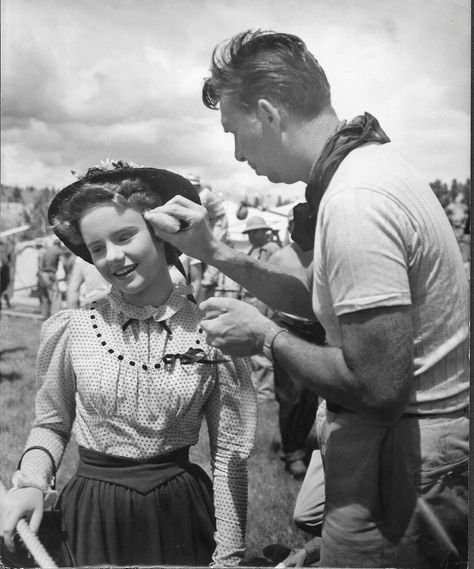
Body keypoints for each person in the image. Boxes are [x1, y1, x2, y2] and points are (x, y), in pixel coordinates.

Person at [144, 30, 469, 569]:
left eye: (235, 132)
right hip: (405, 454)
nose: (237, 153)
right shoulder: (366, 170)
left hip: (399, 459)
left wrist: (265, 336)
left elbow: (378, 386)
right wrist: (214, 250)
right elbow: (319, 299)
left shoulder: (355, 201)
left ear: (268, 113)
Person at [1, 160, 257, 567]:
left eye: (124, 236)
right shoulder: (76, 329)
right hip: (93, 513)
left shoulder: (212, 334)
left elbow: (229, 457)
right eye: (97, 248)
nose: (112, 258)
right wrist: (31, 482)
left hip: (178, 512)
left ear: (160, 234)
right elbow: (51, 425)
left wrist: (228, 554)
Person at [267, 213, 325, 479]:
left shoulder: (323, 254)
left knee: (310, 396)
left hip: (316, 328)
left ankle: (298, 444)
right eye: (295, 224)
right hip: (287, 327)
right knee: (291, 394)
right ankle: (293, 452)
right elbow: (266, 295)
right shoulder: (279, 257)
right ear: (290, 226)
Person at [240, 216, 281, 400]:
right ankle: (256, 388)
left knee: (262, 347)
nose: (251, 236)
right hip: (252, 304)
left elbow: (272, 280)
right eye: (249, 233)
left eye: (253, 232)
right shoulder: (254, 250)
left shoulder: (272, 250)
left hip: (264, 303)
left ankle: (265, 391)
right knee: (252, 347)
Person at [36, 238, 66, 319]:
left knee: (45, 297)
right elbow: (64, 262)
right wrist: (67, 273)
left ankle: (45, 317)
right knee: (55, 296)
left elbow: (40, 264)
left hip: (42, 275)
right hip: (50, 274)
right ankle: (54, 318)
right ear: (59, 245)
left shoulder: (47, 250)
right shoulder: (58, 250)